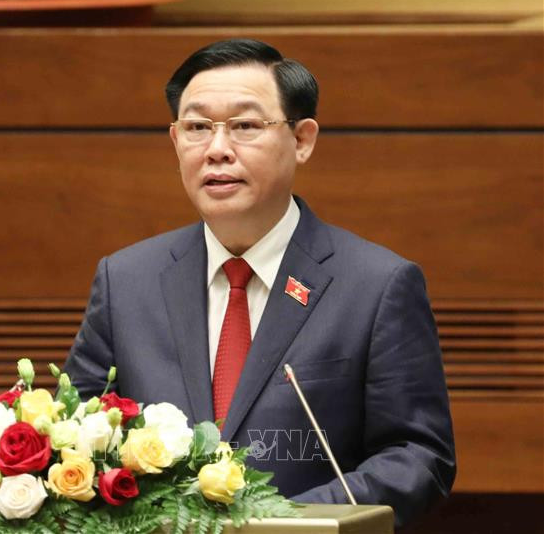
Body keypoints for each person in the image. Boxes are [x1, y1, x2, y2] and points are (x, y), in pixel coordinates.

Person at [64, 38, 456, 528]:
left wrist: (283, 523)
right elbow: (72, 439)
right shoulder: (125, 281)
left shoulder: (378, 285)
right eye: (197, 128)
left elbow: (417, 455)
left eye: (245, 126)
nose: (217, 150)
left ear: (302, 139)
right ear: (175, 141)